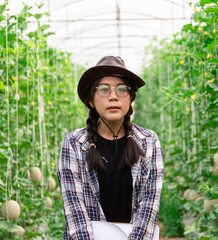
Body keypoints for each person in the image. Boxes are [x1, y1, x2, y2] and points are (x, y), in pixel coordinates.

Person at [57, 56, 164, 240]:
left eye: (122, 89)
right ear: (90, 100)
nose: (113, 96)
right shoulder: (74, 143)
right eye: (104, 89)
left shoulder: (148, 141)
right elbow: (75, 211)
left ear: (130, 98)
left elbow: (149, 206)